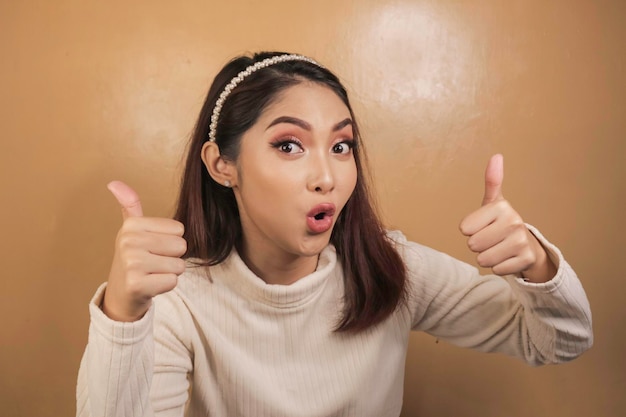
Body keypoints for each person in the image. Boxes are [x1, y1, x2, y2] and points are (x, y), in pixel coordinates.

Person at [76, 52, 593, 417]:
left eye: (341, 146)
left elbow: (560, 341)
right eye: (289, 145)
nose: (327, 175)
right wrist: (123, 315)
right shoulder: (180, 300)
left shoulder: (393, 270)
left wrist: (537, 267)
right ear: (222, 164)